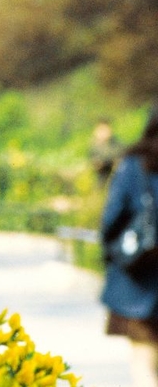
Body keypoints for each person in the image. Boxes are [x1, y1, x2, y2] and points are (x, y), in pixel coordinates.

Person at [101, 107, 158, 387]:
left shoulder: (135, 164)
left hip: (141, 279)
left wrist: (111, 255)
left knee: (144, 364)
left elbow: (111, 218)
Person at [90, 118, 123, 186]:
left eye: (105, 130)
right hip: (101, 177)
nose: (103, 133)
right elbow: (94, 162)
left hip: (115, 176)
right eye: (101, 130)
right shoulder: (94, 146)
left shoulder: (116, 144)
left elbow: (120, 158)